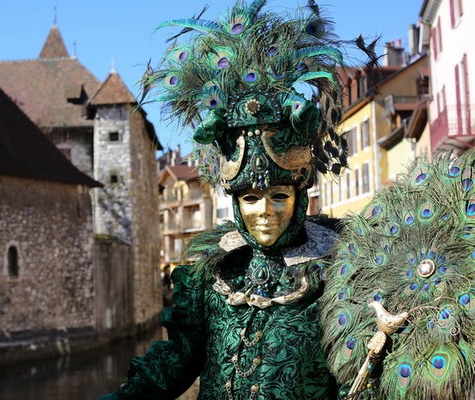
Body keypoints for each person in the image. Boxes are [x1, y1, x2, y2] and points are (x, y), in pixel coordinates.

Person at [100, 0, 369, 398]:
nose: (264, 212)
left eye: (278, 195)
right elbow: (181, 356)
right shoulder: (215, 271)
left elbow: (358, 377)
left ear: (300, 193)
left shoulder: (337, 272)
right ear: (234, 201)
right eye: (250, 198)